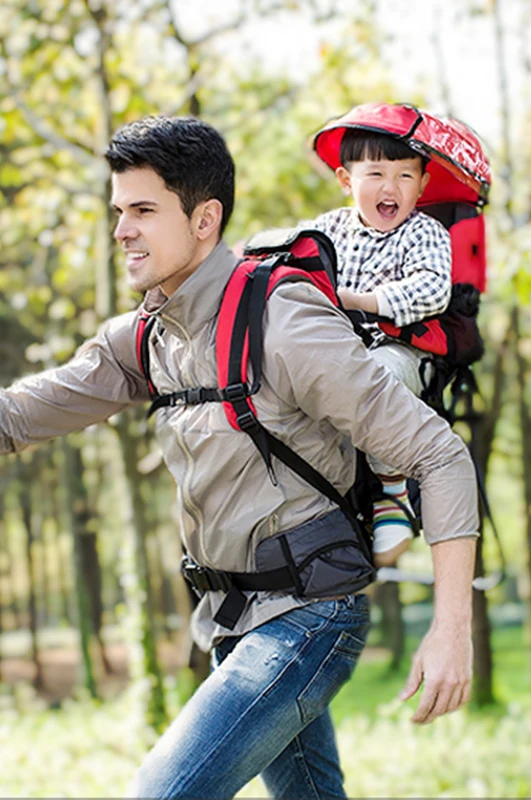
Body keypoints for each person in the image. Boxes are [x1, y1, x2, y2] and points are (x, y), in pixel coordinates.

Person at [0, 115, 478, 800]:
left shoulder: (282, 319)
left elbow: (440, 455)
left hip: (309, 620)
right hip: (232, 621)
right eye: (118, 211)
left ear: (205, 219)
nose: (121, 231)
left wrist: (451, 630)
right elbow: (17, 416)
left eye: (142, 210)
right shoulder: (148, 338)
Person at [311, 127, 453, 568]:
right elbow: (288, 263)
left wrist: (362, 301)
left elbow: (432, 289)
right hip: (334, 350)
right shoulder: (325, 229)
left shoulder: (424, 233)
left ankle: (392, 493)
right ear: (346, 180)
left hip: (397, 352)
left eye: (405, 177)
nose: (391, 188)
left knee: (378, 377)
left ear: (423, 185)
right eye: (375, 174)